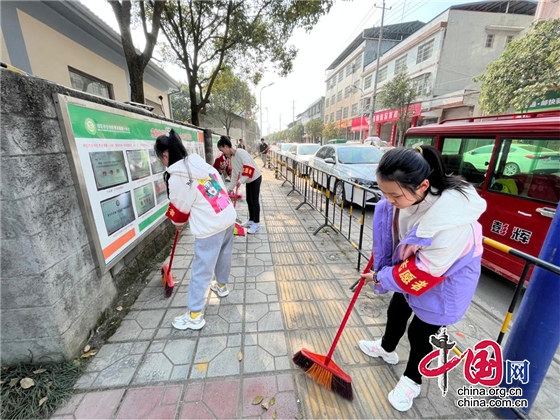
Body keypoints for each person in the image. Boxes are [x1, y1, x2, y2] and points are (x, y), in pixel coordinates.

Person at [357, 145, 486, 412]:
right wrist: (383, 259)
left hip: (443, 283)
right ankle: (386, 348)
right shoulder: (412, 198)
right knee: (397, 309)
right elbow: (400, 236)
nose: (388, 200)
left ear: (423, 185)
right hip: (413, 272)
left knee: (421, 332)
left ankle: (412, 380)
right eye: (384, 193)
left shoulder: (451, 222)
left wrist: (380, 276)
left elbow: (425, 271)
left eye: (394, 195)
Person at [155, 129, 237, 331]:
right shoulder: (197, 162)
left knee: (201, 270)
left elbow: (180, 211)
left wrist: (177, 224)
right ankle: (222, 286)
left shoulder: (177, 177)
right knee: (224, 254)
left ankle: (194, 315)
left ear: (165, 155)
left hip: (211, 226)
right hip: (226, 214)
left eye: (160, 158)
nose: (161, 162)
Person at [217, 136, 263, 234]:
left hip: (255, 178)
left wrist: (241, 181)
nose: (223, 153)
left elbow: (249, 168)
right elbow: (234, 175)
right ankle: (251, 220)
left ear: (226, 147)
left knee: (254, 200)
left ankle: (256, 223)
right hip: (249, 180)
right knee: (249, 200)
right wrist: (229, 189)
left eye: (222, 150)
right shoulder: (232, 159)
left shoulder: (241, 153)